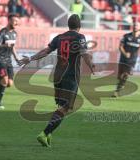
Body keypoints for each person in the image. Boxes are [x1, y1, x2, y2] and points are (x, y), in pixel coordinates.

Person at [18, 14, 95, 147]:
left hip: (58, 76)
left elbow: (46, 51)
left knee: (61, 106)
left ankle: (49, 134)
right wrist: (91, 65)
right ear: (79, 26)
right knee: (66, 107)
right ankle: (44, 133)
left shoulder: (59, 37)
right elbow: (84, 53)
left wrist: (30, 58)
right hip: (70, 76)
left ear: (68, 25)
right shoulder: (80, 37)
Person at [0, 14, 21, 109]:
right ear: (9, 21)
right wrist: (5, 45)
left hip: (8, 60)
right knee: (4, 81)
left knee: (10, 83)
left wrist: (16, 58)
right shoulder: (2, 32)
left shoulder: (14, 33)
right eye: (15, 21)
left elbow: (13, 47)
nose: (16, 23)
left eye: (17, 21)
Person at [112, 23, 140, 97]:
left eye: (137, 25)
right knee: (119, 76)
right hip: (123, 59)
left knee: (125, 74)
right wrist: (125, 53)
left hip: (132, 60)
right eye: (134, 25)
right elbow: (120, 47)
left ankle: (117, 90)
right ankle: (121, 85)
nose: (135, 27)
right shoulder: (126, 36)